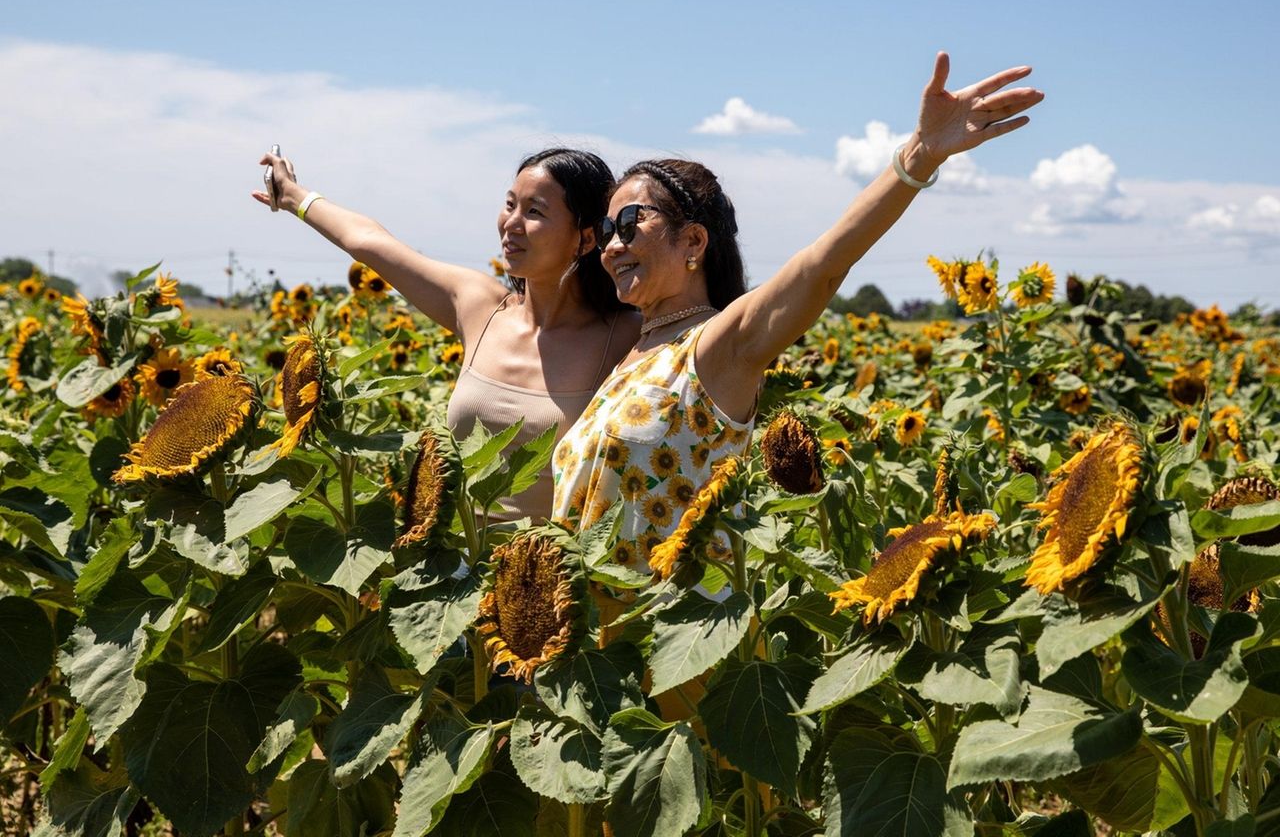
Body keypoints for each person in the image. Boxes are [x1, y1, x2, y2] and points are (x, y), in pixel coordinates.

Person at [552, 53, 1043, 562]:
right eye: (607, 230)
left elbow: (821, 266)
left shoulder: (715, 346)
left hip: (672, 609)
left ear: (693, 241)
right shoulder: (631, 352)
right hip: (597, 614)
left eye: (630, 223)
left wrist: (919, 155)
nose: (612, 246)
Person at [253, 147, 640, 520]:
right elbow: (368, 241)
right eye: (510, 205)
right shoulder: (480, 307)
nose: (511, 223)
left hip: (551, 561)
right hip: (452, 557)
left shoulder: (627, 337)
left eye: (534, 211)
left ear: (586, 239)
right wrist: (293, 196)